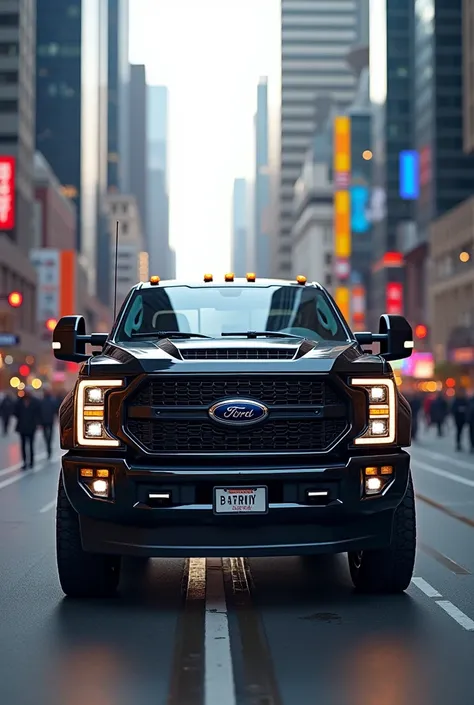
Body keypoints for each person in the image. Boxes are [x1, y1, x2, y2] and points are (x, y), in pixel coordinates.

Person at [14, 390, 40, 469]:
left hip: (31, 426)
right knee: (23, 445)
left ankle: (31, 462)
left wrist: (37, 422)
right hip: (22, 427)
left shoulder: (35, 402)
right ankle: (25, 462)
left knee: (31, 445)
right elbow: (15, 412)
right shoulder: (19, 402)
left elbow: (37, 413)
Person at [39, 388, 58, 458]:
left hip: (49, 420)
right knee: (47, 436)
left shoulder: (48, 400)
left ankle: (49, 447)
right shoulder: (49, 400)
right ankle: (48, 446)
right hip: (47, 420)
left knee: (48, 436)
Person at [451, 387, 469, 451]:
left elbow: (468, 408)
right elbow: (453, 409)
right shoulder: (456, 400)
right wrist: (458, 410)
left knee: (466, 432)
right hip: (458, 418)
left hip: (464, 418)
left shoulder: (465, 400)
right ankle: (458, 443)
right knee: (459, 431)